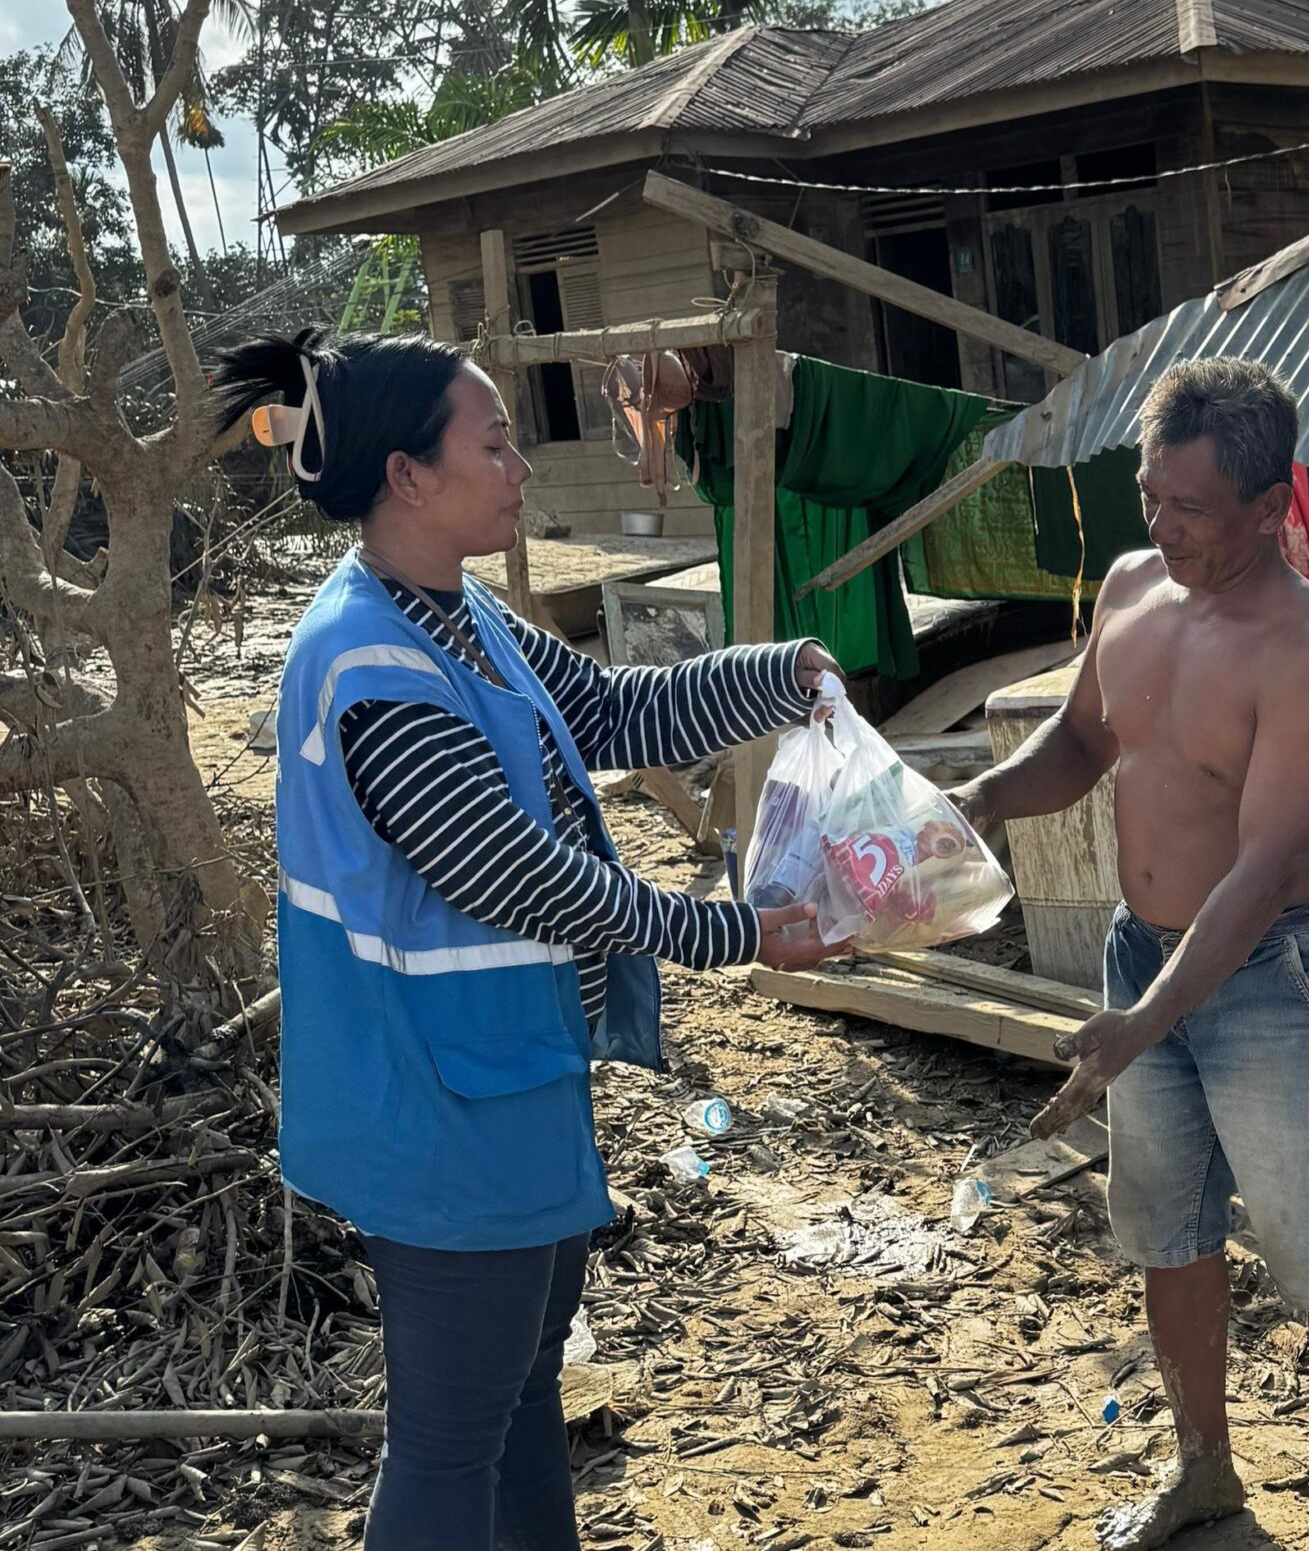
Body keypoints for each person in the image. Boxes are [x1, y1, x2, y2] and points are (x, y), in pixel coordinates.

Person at [210, 329, 849, 1551]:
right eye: (493, 443)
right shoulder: (369, 665)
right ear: (407, 475)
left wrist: (782, 671)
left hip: (508, 1071)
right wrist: (733, 932)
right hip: (434, 1101)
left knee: (518, 1401)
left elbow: (610, 707)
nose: (520, 469)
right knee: (453, 1437)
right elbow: (520, 878)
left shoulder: (461, 616)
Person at [948, 357, 1309, 1551]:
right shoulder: (1129, 587)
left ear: (1271, 508)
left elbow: (1262, 874)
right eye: (1152, 496)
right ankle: (1204, 1467)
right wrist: (976, 802)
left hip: (1271, 976)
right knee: (1166, 1226)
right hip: (1139, 951)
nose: (1162, 525)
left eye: (1192, 508)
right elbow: (1083, 740)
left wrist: (1139, 1021)